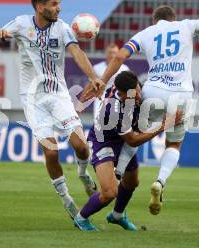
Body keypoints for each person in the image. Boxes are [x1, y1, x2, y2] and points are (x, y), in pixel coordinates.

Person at [83, 0, 199, 215]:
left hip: (153, 90)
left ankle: (118, 172)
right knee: (173, 144)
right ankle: (160, 183)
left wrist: (102, 81)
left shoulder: (146, 33)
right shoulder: (186, 25)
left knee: (136, 132)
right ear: (173, 19)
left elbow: (120, 56)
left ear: (155, 21)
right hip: (181, 95)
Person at [0, 0, 105, 220]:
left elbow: (76, 52)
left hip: (58, 94)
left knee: (81, 146)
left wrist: (93, 77)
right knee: (51, 153)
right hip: (33, 98)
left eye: (59, 4)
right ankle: (67, 199)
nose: (59, 8)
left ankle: (82, 173)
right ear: (40, 7)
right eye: (54, 4)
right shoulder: (20, 23)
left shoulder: (63, 28)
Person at [74, 71, 182, 231]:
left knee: (132, 181)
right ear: (121, 94)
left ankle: (117, 215)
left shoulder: (135, 90)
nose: (137, 97)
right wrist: (163, 125)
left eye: (138, 91)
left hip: (121, 140)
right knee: (110, 192)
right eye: (132, 96)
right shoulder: (113, 108)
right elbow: (132, 140)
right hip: (103, 143)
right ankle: (81, 218)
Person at [92, 43, 130, 117]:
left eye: (114, 53)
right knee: (98, 125)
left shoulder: (125, 69)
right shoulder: (96, 68)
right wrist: (82, 102)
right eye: (110, 52)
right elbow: (91, 86)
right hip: (101, 99)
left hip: (118, 99)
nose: (112, 55)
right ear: (106, 53)